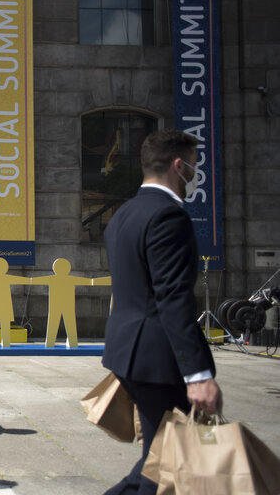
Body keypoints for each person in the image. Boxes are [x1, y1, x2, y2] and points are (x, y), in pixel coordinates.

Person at [102, 129, 222, 494]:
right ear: (178, 165)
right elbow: (172, 298)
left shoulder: (123, 214)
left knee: (161, 458)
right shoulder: (168, 216)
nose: (194, 174)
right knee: (166, 461)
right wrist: (198, 374)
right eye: (194, 166)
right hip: (157, 358)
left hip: (130, 352)